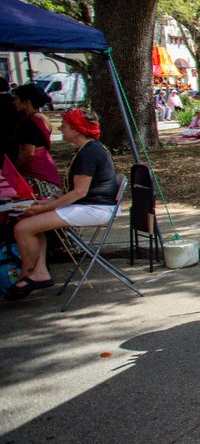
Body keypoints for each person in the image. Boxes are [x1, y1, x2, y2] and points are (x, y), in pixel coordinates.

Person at [7, 108, 118, 301]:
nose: (60, 128)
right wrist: (47, 202)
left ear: (77, 129)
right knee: (30, 223)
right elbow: (72, 190)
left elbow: (79, 192)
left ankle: (29, 273)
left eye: (64, 126)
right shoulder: (88, 149)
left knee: (23, 228)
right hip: (92, 205)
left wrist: (45, 207)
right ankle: (39, 272)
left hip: (94, 208)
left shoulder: (89, 152)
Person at [8, 84, 63, 200]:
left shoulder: (29, 122)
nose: (14, 102)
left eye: (16, 99)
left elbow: (28, 152)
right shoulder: (43, 118)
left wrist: (14, 168)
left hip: (35, 172)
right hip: (47, 166)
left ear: (26, 102)